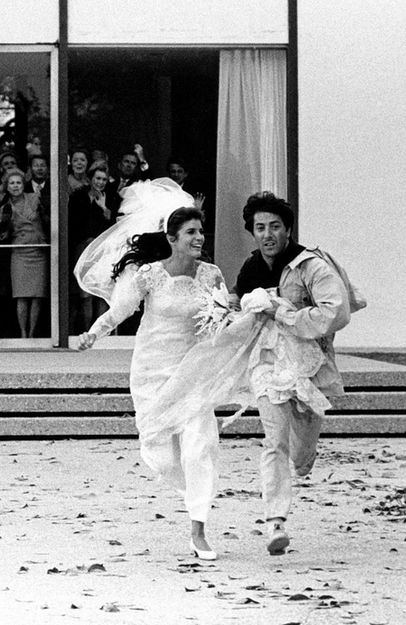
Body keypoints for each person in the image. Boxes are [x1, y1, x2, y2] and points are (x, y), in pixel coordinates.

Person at [75, 179, 223, 560]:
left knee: (200, 444)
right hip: (152, 369)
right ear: (172, 238)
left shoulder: (212, 275)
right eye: (191, 232)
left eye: (201, 231)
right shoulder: (150, 275)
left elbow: (222, 318)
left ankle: (199, 528)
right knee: (163, 455)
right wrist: (93, 333)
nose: (199, 237)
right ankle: (189, 492)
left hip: (193, 371)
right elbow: (120, 310)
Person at [233, 191, 356, 555]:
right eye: (259, 228)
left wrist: (284, 314)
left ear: (288, 229)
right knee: (274, 440)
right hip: (267, 365)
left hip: (308, 367)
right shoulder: (251, 268)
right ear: (252, 232)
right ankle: (275, 522)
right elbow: (240, 312)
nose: (267, 234)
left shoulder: (312, 266)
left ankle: (305, 459)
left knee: (301, 453)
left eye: (274, 226)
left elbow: (338, 312)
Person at [68, 161, 120, 333]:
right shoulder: (78, 196)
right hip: (83, 247)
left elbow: (115, 226)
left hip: (104, 250)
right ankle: (86, 331)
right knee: (85, 293)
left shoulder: (112, 197)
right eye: (97, 178)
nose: (100, 182)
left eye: (104, 179)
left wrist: (104, 208)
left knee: (101, 291)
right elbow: (74, 223)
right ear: (90, 179)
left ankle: (101, 332)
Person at [0, 168, 49, 338]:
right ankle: (22, 333)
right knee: (21, 296)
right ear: (7, 186)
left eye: (18, 182)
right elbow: (4, 232)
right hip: (19, 253)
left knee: (37, 296)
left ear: (23, 184)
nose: (15, 186)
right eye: (12, 183)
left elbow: (47, 219)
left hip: (38, 250)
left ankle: (32, 333)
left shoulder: (35, 198)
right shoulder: (5, 206)